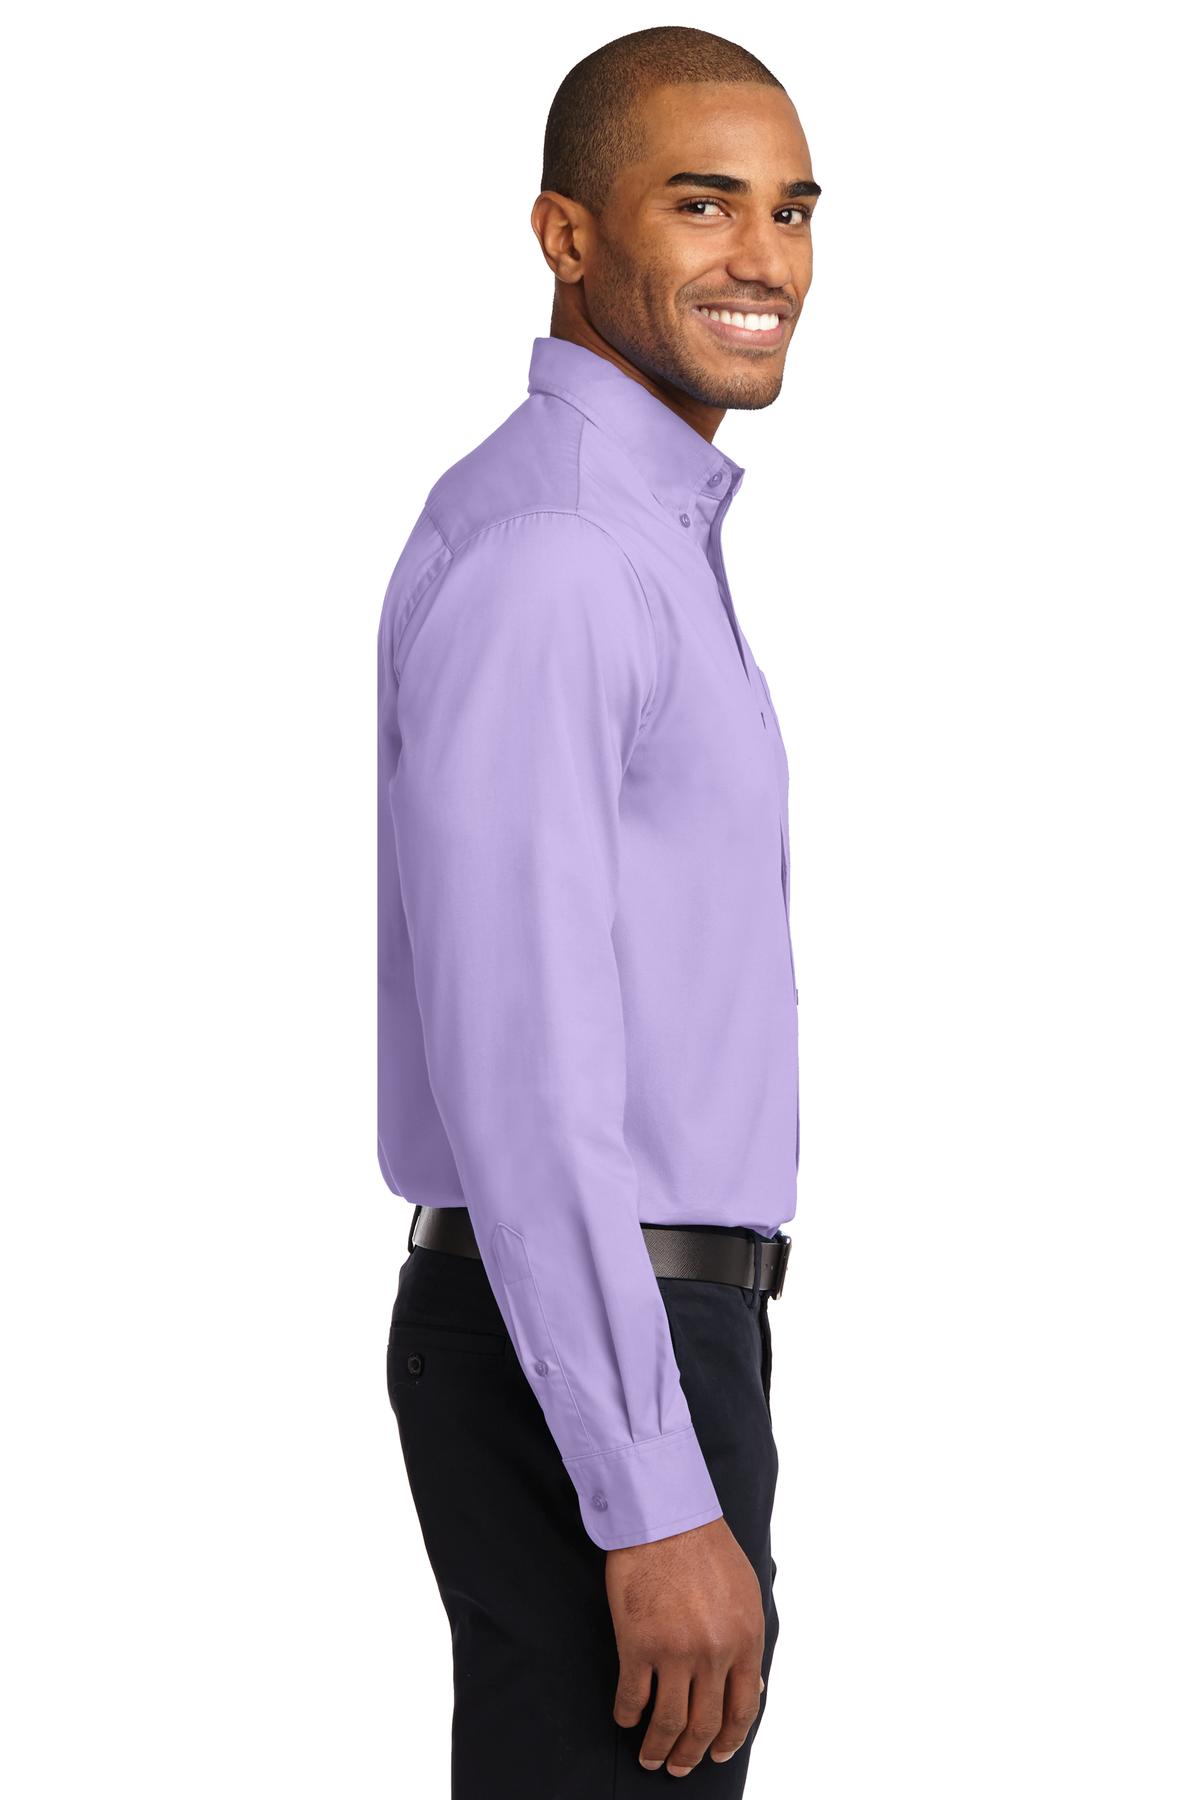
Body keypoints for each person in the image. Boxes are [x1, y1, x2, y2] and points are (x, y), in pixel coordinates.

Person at [377, 25, 819, 1796]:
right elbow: (522, 1062)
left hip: (624, 1328)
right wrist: (648, 1493)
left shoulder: (630, 537)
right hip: (593, 1337)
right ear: (565, 235)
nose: (763, 259)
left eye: (792, 211)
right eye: (702, 205)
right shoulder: (562, 555)